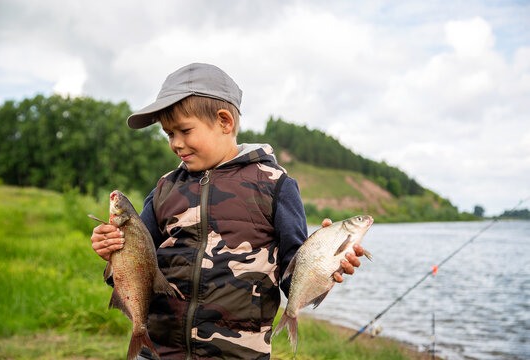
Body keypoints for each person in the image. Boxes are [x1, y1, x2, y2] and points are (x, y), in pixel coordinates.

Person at [90, 63, 364, 360]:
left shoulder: (275, 186)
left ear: (224, 121)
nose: (175, 143)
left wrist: (326, 265)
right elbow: (139, 265)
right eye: (169, 134)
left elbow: (291, 277)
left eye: (184, 130)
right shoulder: (164, 190)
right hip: (158, 351)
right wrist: (113, 249)